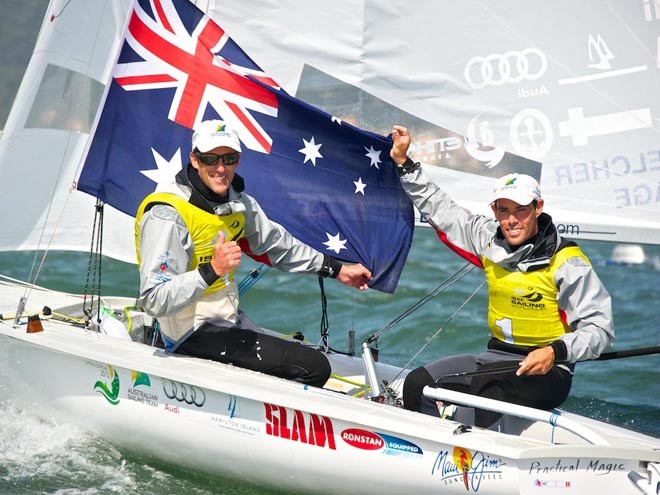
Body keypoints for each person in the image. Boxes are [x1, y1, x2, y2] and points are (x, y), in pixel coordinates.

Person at [389, 125, 614, 427]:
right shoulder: (488, 241)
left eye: (520, 210)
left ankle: (476, 462)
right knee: (417, 384)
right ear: (494, 210)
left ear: (538, 208)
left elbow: (600, 330)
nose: (511, 220)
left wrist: (555, 351)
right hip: (495, 359)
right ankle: (428, 452)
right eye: (503, 210)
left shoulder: (567, 262)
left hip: (548, 370)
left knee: (490, 389)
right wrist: (405, 165)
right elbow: (442, 209)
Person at [135, 119, 372, 388]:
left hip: (225, 322)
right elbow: (153, 299)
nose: (221, 168)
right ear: (195, 160)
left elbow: (279, 245)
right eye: (211, 158)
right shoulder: (168, 214)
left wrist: (337, 269)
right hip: (187, 333)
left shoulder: (238, 203)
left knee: (301, 362)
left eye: (230, 158)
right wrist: (212, 270)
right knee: (313, 367)